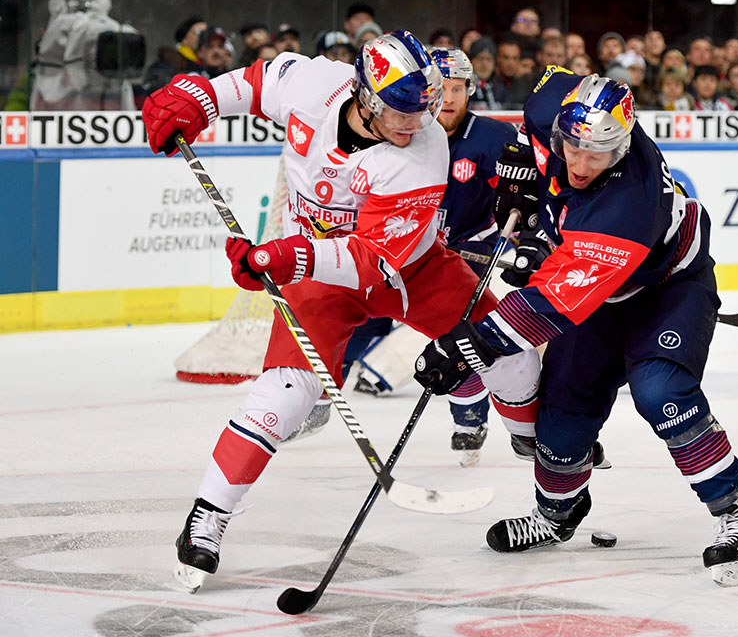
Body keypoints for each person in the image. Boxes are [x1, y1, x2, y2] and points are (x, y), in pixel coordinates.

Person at [141, 30, 537, 593]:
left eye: (424, 107)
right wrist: (200, 98)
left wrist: (283, 255)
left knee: (511, 352)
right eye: (401, 111)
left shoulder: (424, 150)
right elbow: (254, 83)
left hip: (412, 270)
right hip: (318, 279)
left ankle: (534, 442)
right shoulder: (313, 84)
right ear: (366, 96)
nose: (417, 122)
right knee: (282, 396)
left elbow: (373, 262)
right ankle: (209, 516)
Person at [413, 73, 738, 586]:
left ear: (621, 148)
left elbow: (549, 306)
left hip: (665, 290)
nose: (580, 165)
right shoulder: (551, 106)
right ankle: (557, 516)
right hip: (592, 288)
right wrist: (521, 168)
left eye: (597, 155)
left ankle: (737, 511)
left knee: (661, 392)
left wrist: (465, 345)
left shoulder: (627, 207)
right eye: (571, 148)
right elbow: (546, 110)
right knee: (560, 421)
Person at [345, 47, 519, 467]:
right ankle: (323, 381)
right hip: (403, 250)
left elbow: (528, 191)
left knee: (459, 338)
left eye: (459, 88)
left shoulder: (493, 138)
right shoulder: (397, 136)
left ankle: (472, 417)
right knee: (353, 314)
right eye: (444, 89)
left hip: (467, 252)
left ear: (470, 90)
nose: (451, 98)